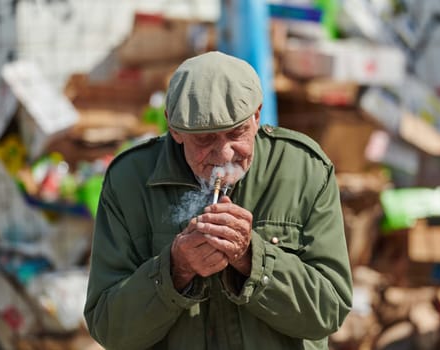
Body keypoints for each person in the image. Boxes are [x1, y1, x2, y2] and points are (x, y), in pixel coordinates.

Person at [84, 51, 352, 350]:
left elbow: (329, 312)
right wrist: (175, 270)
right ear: (174, 128)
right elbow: (109, 329)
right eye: (205, 139)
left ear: (257, 115)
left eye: (236, 133)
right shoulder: (129, 181)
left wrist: (253, 259)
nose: (224, 155)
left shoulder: (303, 169)